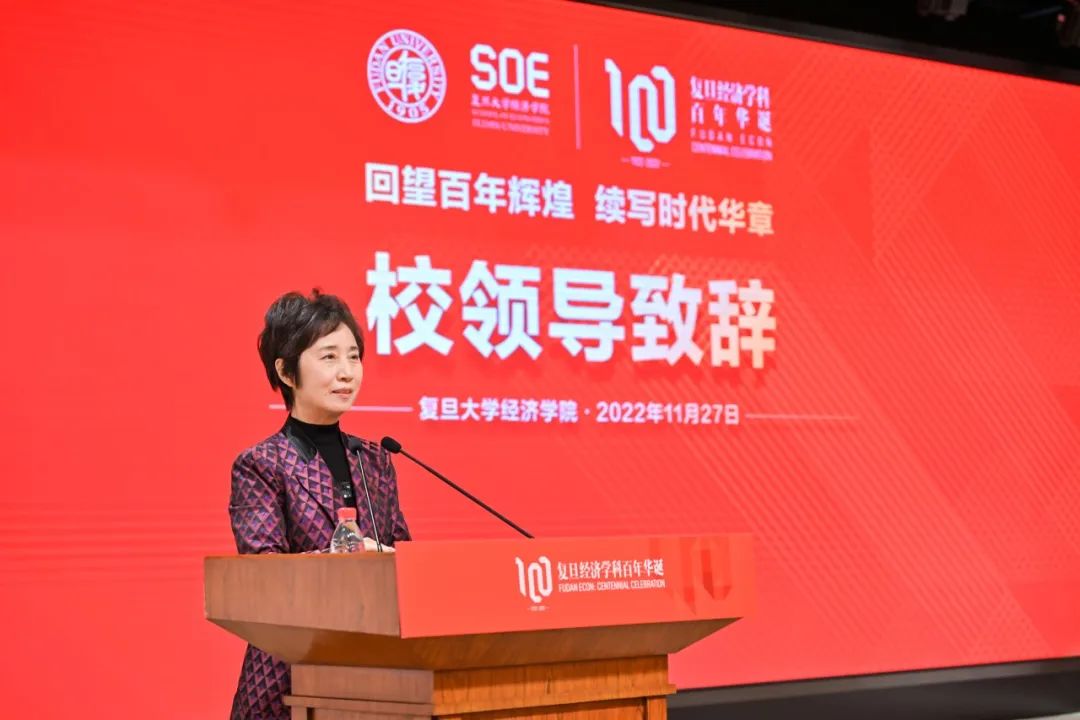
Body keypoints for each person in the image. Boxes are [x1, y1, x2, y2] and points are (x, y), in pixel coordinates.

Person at [227, 289, 410, 720]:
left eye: (354, 357)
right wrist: (352, 555)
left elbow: (406, 556)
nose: (347, 372)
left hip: (378, 674)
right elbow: (266, 572)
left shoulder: (375, 460)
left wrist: (393, 557)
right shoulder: (261, 464)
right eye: (329, 357)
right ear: (286, 372)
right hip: (289, 677)